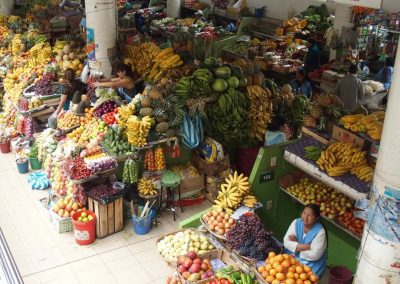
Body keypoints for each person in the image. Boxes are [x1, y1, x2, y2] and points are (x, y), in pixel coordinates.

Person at [284, 204, 327, 278]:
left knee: (305, 277)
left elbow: (315, 255)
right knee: (284, 272)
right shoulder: (296, 222)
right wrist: (308, 246)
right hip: (294, 255)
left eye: (309, 215)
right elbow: (286, 242)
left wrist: (296, 246)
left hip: (312, 261)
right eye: (304, 213)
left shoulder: (320, 232)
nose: (305, 217)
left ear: (316, 218)